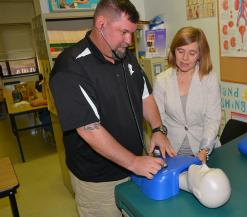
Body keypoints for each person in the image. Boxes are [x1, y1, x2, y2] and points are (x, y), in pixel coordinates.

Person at [49, 0, 176, 216]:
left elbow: (145, 96)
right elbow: (89, 129)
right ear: (101, 24)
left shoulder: (125, 55)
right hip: (100, 181)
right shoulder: (69, 68)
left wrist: (157, 129)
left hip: (136, 168)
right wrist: (134, 162)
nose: (129, 41)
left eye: (131, 34)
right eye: (123, 32)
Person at [153, 26, 221, 163]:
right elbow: (158, 120)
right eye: (180, 51)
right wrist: (163, 141)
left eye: (192, 53)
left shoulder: (209, 79)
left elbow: (212, 119)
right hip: (172, 153)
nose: (185, 58)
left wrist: (204, 149)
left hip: (205, 150)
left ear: (200, 55)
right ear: (174, 51)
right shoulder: (161, 81)